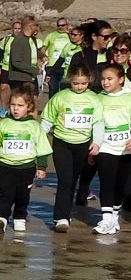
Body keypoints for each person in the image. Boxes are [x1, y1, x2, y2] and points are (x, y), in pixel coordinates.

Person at [0, 88, 52, 234]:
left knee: (23, 195)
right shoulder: (4, 124)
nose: (16, 109)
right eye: (13, 105)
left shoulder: (34, 126)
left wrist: (42, 167)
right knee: (6, 193)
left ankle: (19, 217)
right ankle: (1, 217)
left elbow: (42, 148)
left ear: (29, 107)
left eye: (20, 105)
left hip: (26, 168)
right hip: (6, 166)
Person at [44, 62, 99, 232]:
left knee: (73, 180)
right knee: (65, 181)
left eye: (83, 83)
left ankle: (67, 211)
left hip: (83, 145)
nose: (80, 87)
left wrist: (96, 142)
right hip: (62, 143)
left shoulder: (94, 99)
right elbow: (47, 121)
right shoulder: (60, 97)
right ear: (70, 80)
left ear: (89, 81)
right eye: (76, 83)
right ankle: (61, 217)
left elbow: (98, 123)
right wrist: (39, 140)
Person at [88, 63, 131, 237]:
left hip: (126, 148)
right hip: (105, 146)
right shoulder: (98, 98)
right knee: (106, 182)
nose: (105, 82)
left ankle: (114, 215)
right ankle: (106, 219)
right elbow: (93, 123)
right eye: (103, 79)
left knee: (121, 184)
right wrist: (93, 145)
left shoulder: (129, 97)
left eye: (109, 79)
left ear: (121, 79)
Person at [4, 17, 41, 95]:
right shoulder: (19, 40)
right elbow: (16, 62)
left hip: (30, 77)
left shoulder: (31, 39)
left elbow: (32, 51)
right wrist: (34, 70)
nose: (37, 28)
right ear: (30, 26)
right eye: (36, 25)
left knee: (34, 101)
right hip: (20, 79)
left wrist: (42, 56)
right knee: (21, 102)